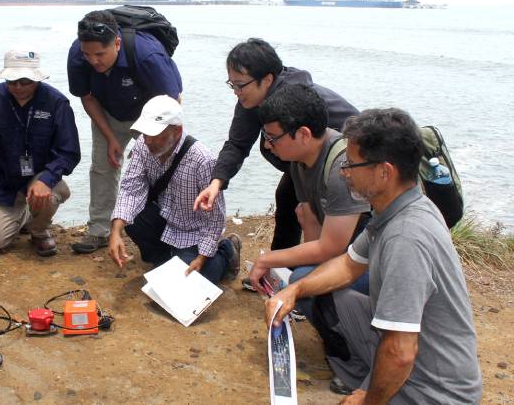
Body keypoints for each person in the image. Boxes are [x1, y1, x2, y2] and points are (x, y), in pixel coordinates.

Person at [265, 108, 482, 404]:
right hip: (414, 361)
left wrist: (367, 401)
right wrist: (294, 290)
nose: (344, 172)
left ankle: (375, 388)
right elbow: (348, 265)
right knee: (318, 290)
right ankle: (366, 377)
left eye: (351, 165)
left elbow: (400, 352)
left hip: (434, 392)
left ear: (384, 172)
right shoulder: (397, 208)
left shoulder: (406, 237)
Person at [194, 38, 358, 255]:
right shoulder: (251, 100)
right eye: (232, 84)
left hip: (346, 161)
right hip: (302, 161)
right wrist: (216, 183)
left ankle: (327, 260)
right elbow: (237, 144)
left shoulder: (294, 102)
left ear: (267, 79)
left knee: (322, 214)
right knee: (289, 200)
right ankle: (285, 265)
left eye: (240, 85)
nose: (236, 91)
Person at [247, 84, 371, 320]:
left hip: (375, 263)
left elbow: (330, 248)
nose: (267, 145)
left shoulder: (342, 167)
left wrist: (267, 259)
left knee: (301, 280)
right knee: (304, 266)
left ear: (303, 134)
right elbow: (312, 225)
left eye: (272, 138)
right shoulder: (300, 161)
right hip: (348, 255)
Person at [67, 9, 183, 254]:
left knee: (163, 167)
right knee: (102, 167)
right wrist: (111, 139)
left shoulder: (147, 55)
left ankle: (173, 226)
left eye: (100, 54)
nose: (93, 61)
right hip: (108, 110)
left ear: (117, 43)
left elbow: (172, 102)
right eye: (88, 54)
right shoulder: (78, 54)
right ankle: (99, 230)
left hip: (151, 114)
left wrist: (147, 142)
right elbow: (87, 98)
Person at [108, 95, 240, 284]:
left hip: (192, 232)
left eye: (154, 135)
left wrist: (202, 257)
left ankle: (227, 251)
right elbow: (130, 189)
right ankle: (164, 258)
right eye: (145, 134)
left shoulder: (203, 160)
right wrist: (116, 232)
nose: (148, 141)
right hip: (164, 219)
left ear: (177, 131)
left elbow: (214, 219)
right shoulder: (143, 145)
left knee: (197, 280)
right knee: (132, 217)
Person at [0, 49, 81, 256]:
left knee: (51, 193)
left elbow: (69, 152)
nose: (18, 87)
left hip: (39, 176)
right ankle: (23, 214)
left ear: (37, 78)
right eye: (12, 81)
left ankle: (39, 230)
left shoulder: (56, 102)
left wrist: (47, 179)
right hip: (3, 180)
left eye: (25, 81)